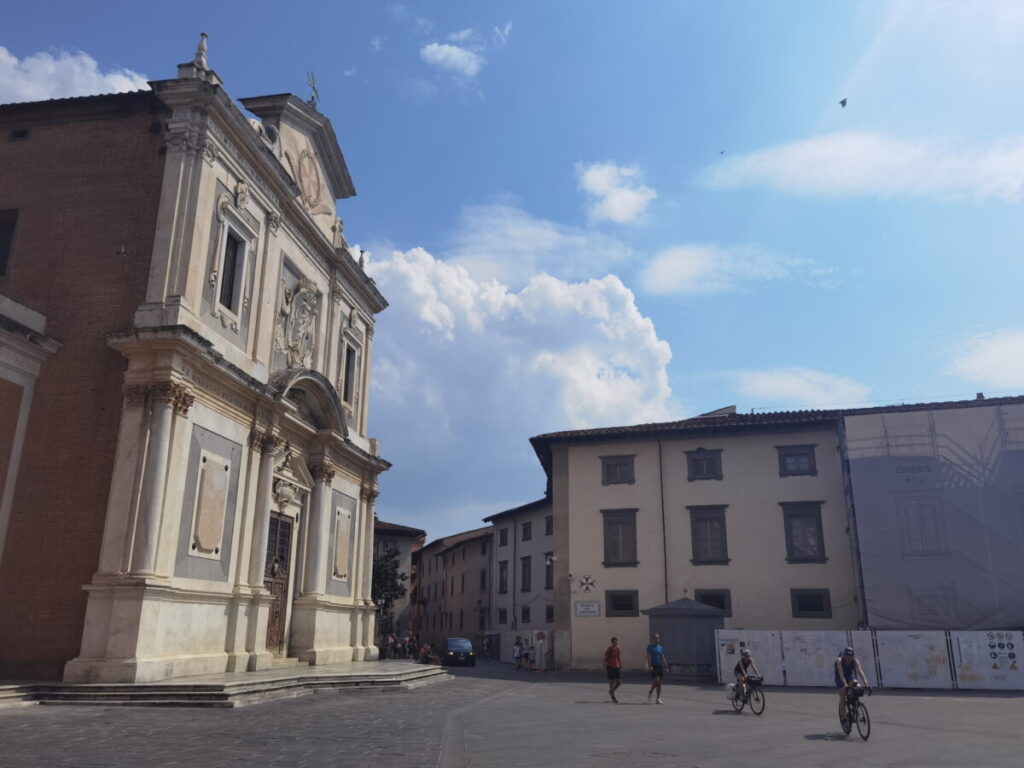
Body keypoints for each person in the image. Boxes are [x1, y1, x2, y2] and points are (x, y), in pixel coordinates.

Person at [835, 646, 870, 719]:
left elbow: (860, 672)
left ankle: (855, 705)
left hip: (849, 676)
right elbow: (841, 673)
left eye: (851, 656)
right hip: (840, 677)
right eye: (847, 655)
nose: (849, 658)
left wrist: (866, 684)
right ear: (844, 655)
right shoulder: (839, 660)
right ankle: (844, 717)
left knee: (858, 688)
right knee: (842, 696)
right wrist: (845, 684)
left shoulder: (855, 660)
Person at [645, 633, 668, 704]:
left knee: (659, 684)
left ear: (659, 639)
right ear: (653, 639)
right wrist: (650, 666)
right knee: (657, 681)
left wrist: (666, 666)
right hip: (653, 666)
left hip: (659, 666)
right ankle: (651, 691)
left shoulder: (660, 647)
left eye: (657, 638)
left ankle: (658, 699)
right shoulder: (650, 647)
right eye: (655, 638)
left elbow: (663, 657)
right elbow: (648, 657)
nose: (656, 639)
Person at [604, 637, 623, 703]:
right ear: (612, 642)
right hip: (610, 667)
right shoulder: (609, 649)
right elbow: (605, 659)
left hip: (616, 667)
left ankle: (611, 691)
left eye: (617, 642)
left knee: (619, 682)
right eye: (615, 642)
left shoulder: (617, 649)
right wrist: (605, 669)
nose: (616, 643)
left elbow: (618, 658)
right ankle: (613, 697)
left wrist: (621, 665)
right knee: (612, 682)